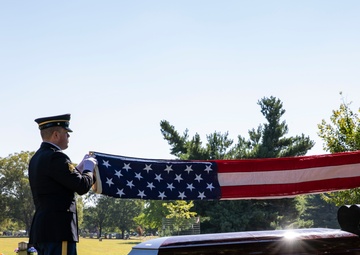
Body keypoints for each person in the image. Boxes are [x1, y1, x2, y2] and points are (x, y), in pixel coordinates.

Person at [28, 113, 97, 255]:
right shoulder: (56, 156)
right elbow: (81, 186)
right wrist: (89, 169)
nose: (69, 137)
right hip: (58, 230)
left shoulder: (37, 157)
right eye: (66, 133)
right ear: (56, 135)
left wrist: (79, 168)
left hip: (44, 231)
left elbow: (61, 181)